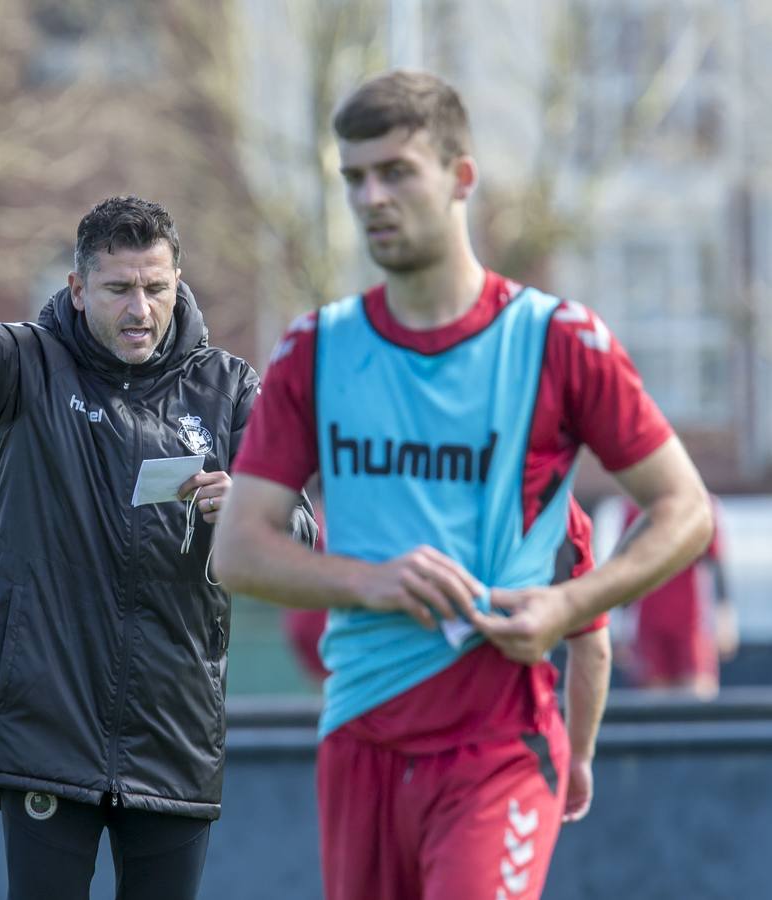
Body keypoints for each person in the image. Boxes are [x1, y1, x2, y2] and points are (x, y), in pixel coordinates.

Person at [213, 70, 712, 900]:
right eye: (355, 177)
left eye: (397, 171)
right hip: (360, 735)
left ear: (461, 178)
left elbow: (685, 510)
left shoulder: (562, 341)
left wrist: (571, 606)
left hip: (502, 740)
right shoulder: (316, 349)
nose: (373, 196)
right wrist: (371, 581)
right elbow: (240, 549)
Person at [0, 195, 316, 900]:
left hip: (172, 730)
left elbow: (298, 527)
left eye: (157, 288)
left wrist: (249, 509)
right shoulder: (29, 368)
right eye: (119, 288)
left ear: (178, 283)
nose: (140, 309)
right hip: (45, 726)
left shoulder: (231, 390)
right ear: (78, 288)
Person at [616, 497, 735, 698]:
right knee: (653, 704)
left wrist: (725, 618)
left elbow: (716, 564)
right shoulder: (636, 508)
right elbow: (624, 568)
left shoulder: (701, 503)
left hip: (691, 622)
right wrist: (620, 627)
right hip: (650, 623)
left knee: (698, 697)